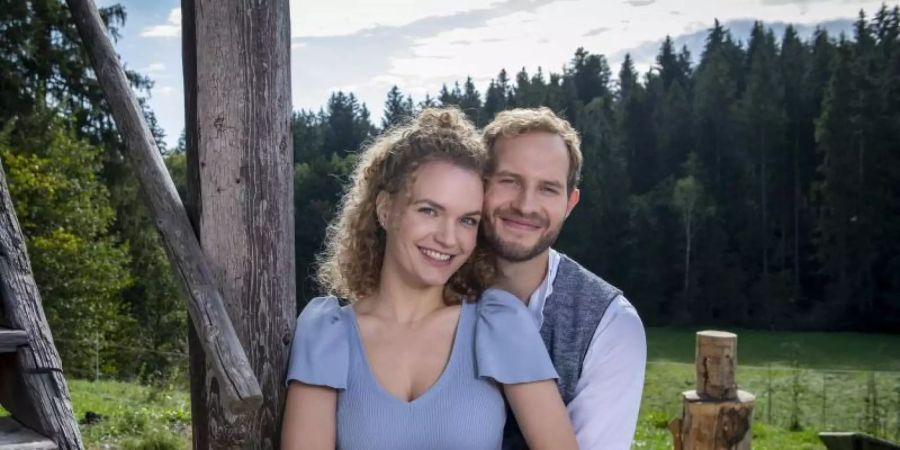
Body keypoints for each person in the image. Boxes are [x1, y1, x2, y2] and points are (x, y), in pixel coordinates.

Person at [281, 108, 578, 450]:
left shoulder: (499, 323)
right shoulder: (327, 333)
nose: (448, 239)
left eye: (467, 220)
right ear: (385, 209)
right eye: (429, 211)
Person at [482, 107, 647, 450]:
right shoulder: (431, 287)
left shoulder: (612, 325)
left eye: (548, 189)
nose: (526, 205)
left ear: (570, 203)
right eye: (510, 180)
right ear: (479, 185)